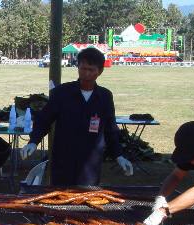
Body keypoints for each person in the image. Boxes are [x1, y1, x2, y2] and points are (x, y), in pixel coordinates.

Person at [21, 47, 134, 186]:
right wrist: (33, 141)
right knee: (59, 198)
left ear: (100, 71)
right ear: (78, 67)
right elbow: (44, 120)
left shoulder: (105, 96)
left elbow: (110, 128)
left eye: (91, 70)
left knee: (86, 199)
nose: (86, 73)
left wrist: (119, 155)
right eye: (83, 68)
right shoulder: (61, 93)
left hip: (90, 161)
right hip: (63, 158)